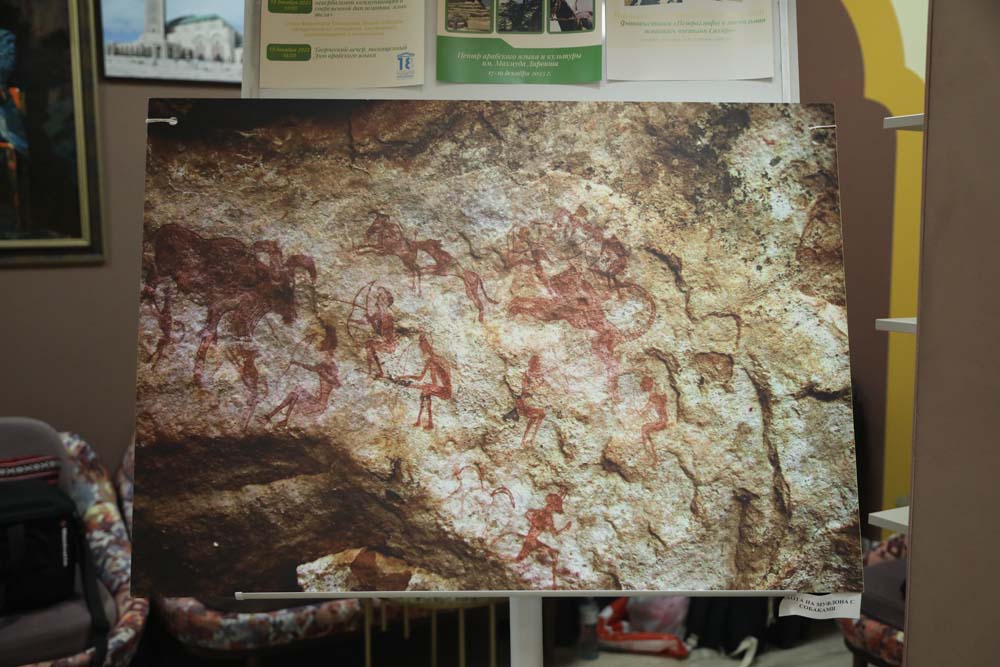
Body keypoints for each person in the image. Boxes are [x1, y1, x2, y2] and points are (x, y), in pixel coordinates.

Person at [401, 333, 452, 430]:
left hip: (446, 392)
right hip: (442, 389)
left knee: (425, 390)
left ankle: (428, 422)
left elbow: (442, 383)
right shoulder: (433, 360)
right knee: (425, 390)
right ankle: (420, 421)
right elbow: (421, 379)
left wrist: (413, 385)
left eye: (422, 343)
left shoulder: (434, 361)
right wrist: (405, 377)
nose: (420, 347)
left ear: (426, 345)